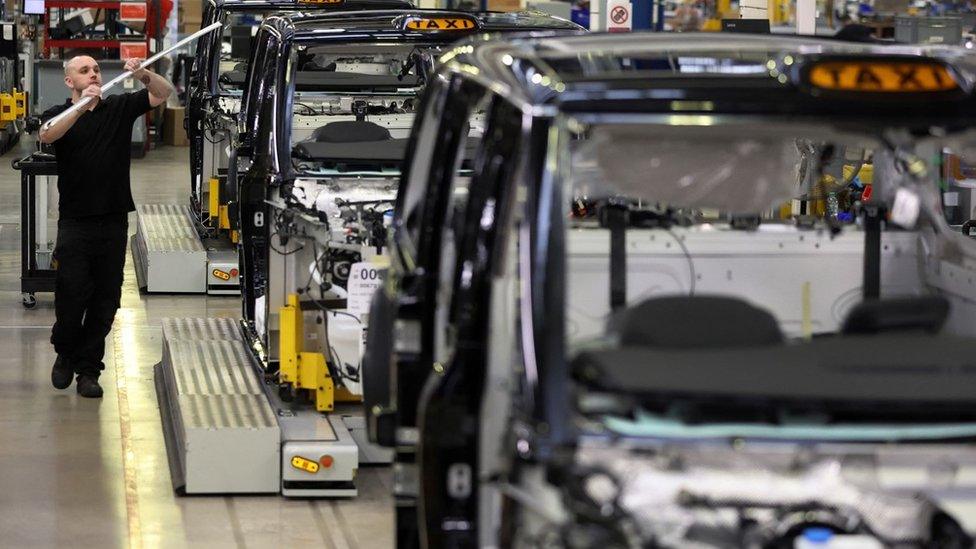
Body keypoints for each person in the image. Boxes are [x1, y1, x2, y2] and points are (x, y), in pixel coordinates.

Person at [39, 56, 173, 398]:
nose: (94, 73)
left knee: (105, 300)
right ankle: (65, 351)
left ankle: (88, 371)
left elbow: (163, 93)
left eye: (96, 69)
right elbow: (48, 134)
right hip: (75, 222)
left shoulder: (119, 107)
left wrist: (143, 75)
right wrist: (82, 107)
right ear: (70, 82)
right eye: (84, 71)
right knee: (71, 296)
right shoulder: (59, 113)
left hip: (113, 220)